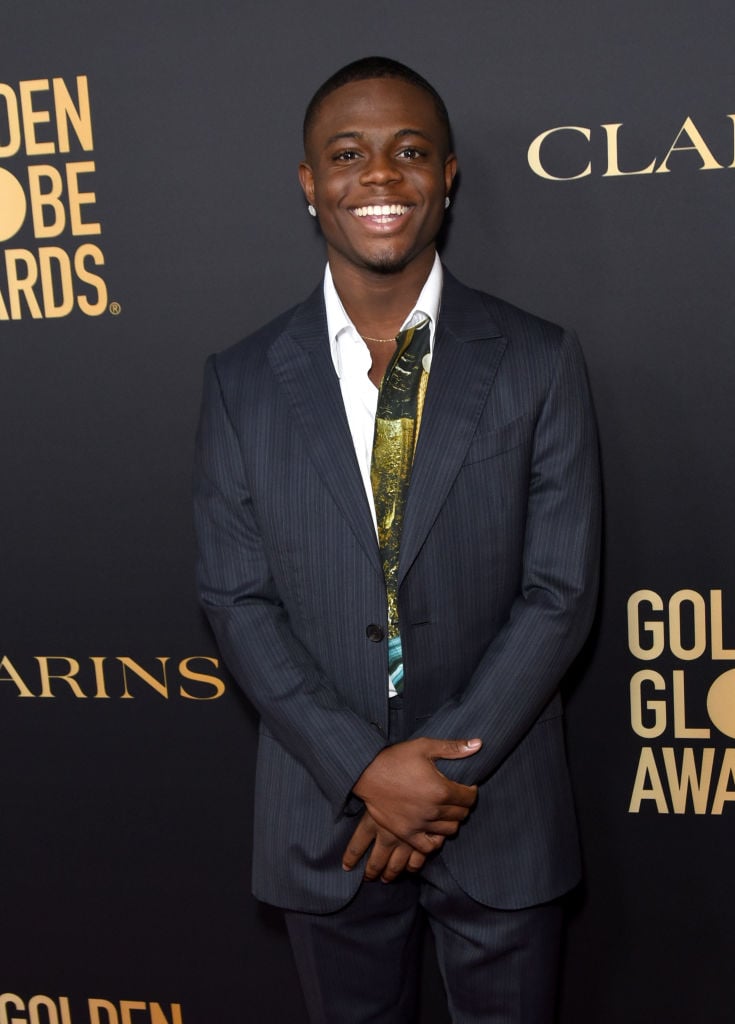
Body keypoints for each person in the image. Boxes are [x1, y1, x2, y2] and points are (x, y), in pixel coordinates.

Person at [193, 56, 600, 1024]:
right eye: (348, 154)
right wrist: (364, 769)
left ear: (447, 174)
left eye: (409, 151)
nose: (379, 176)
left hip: (497, 810)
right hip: (324, 816)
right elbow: (235, 598)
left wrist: (436, 773)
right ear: (310, 183)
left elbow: (561, 589)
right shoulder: (240, 380)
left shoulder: (538, 359)